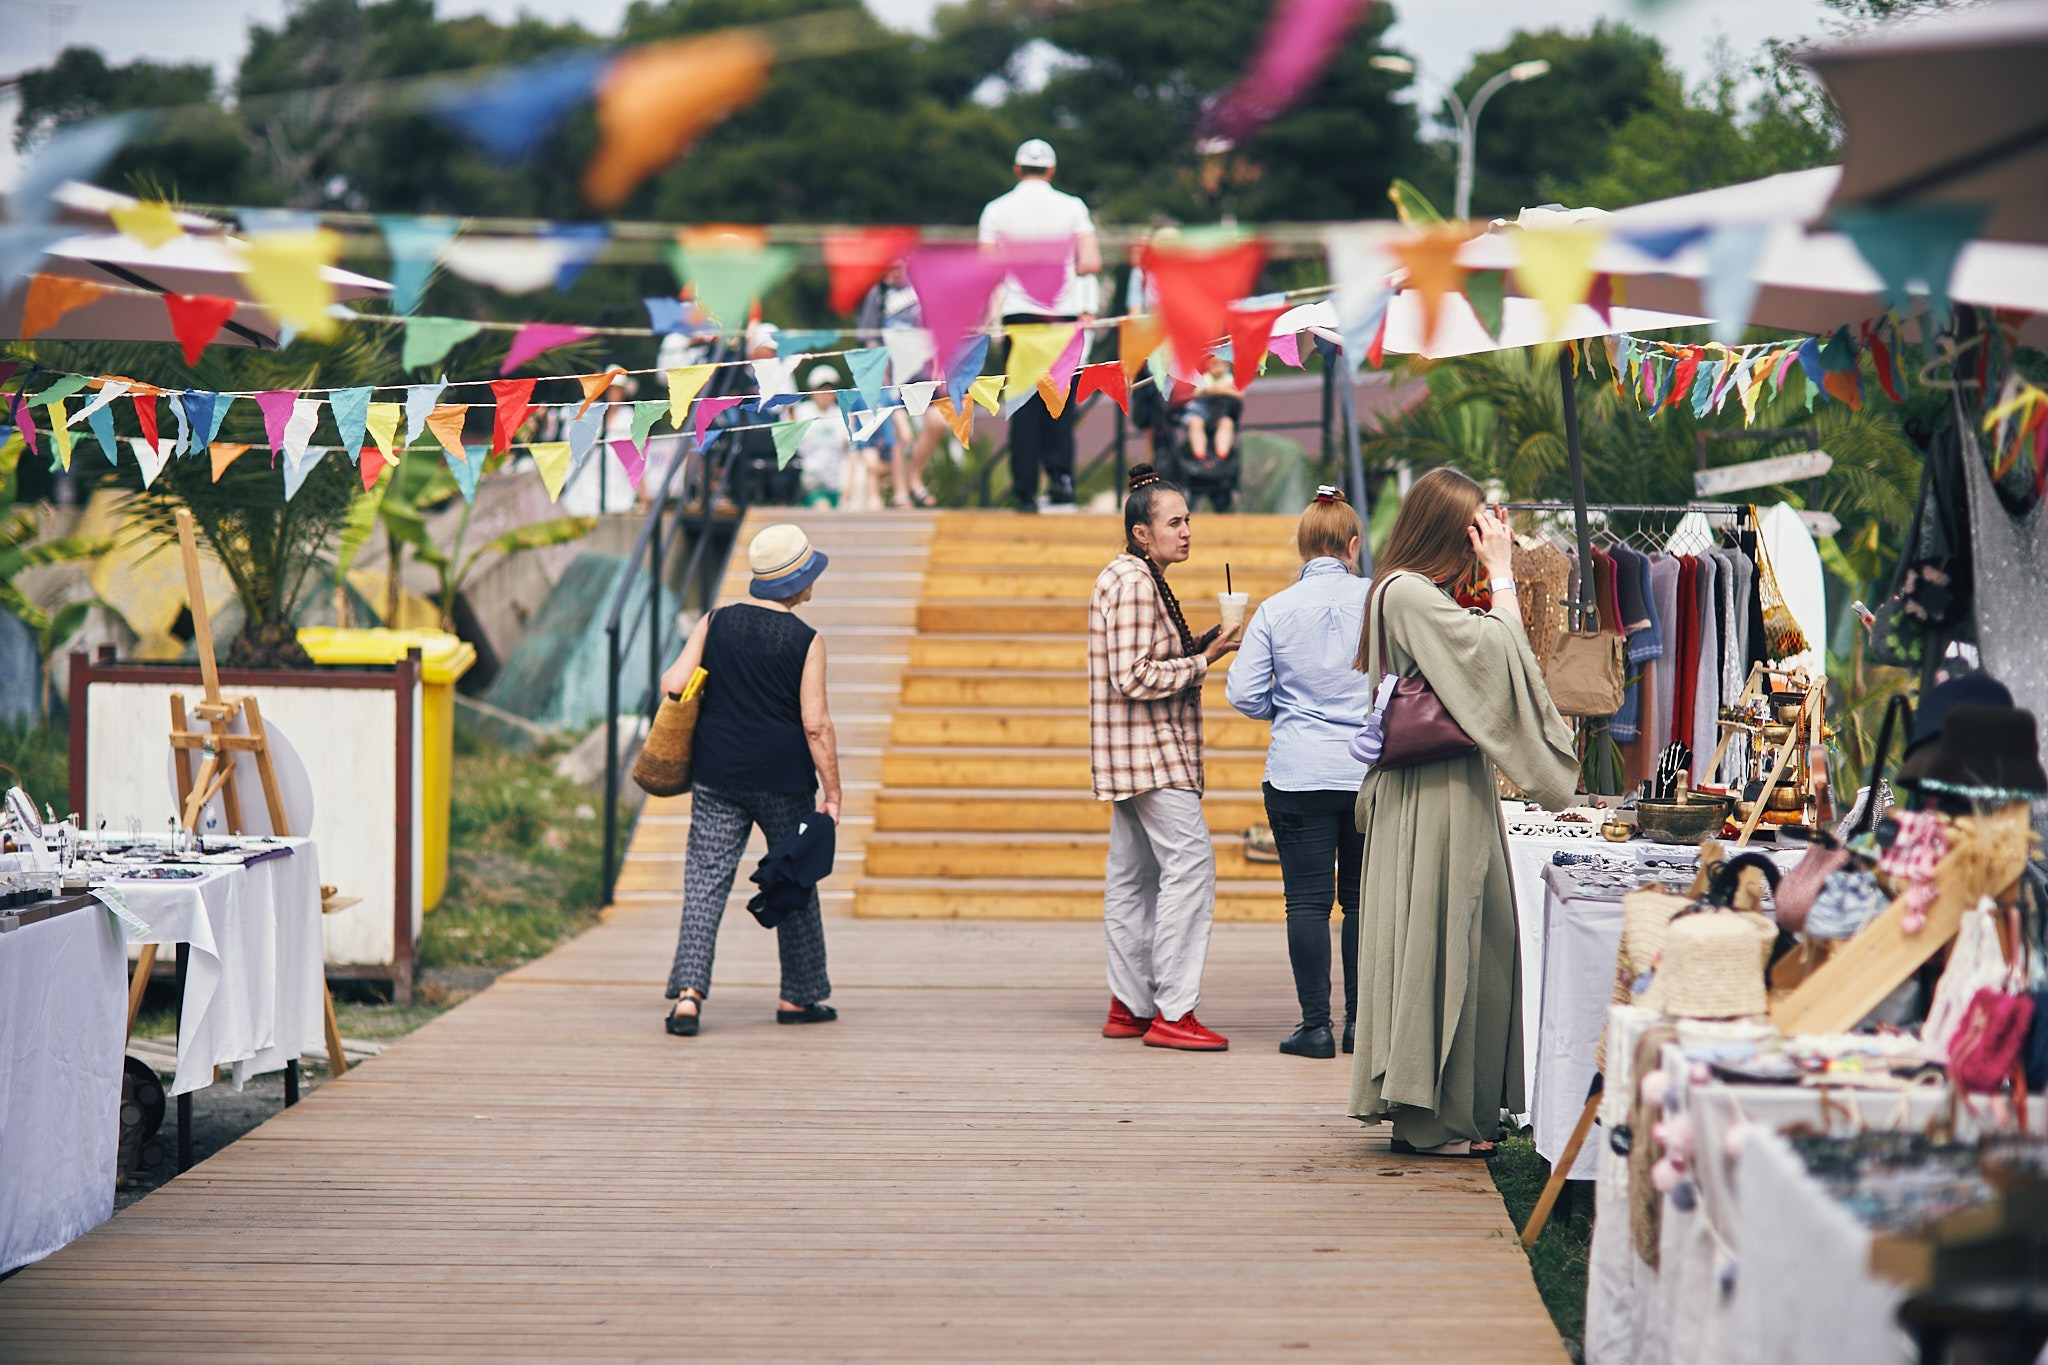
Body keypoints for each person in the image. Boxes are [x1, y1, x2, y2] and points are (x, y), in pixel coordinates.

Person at [1347, 468, 1577, 1155]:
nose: (1483, 541)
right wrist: (1503, 574)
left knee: (1475, 939)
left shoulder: (1412, 592)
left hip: (1442, 788)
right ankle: (1429, 1117)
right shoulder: (1408, 593)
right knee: (1442, 938)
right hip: (1432, 795)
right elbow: (1498, 651)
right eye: (1474, 528)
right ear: (1449, 530)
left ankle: (1467, 1111)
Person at [659, 524, 843, 1036]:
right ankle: (798, 997)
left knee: (704, 880)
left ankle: (689, 997)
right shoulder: (807, 640)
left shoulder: (715, 620)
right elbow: (816, 724)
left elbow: (673, 684)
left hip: (717, 773)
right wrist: (833, 794)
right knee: (795, 878)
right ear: (798, 582)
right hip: (784, 781)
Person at [1089, 463, 1243, 1050]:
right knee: (1191, 868)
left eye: (1187, 520)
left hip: (1133, 754)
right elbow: (1133, 675)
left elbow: (1151, 654)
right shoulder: (1132, 582)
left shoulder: (1134, 576)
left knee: (1132, 877)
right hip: (1151, 753)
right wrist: (1204, 663)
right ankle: (1173, 1011)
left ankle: (1129, 1005)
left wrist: (1207, 643)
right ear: (1140, 532)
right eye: (1174, 522)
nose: (1186, 531)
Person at [1224, 487, 1374, 1060]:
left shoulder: (1275, 609)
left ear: (1303, 547)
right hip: (1366, 772)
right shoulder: (1380, 602)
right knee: (1362, 900)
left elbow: (1243, 692)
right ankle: (1362, 1024)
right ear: (1353, 547)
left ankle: (1316, 1027)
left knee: (1306, 902)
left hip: (1298, 770)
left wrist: (1283, 711)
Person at [979, 137, 1101, 512]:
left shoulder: (996, 210)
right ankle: (1062, 481)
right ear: (1051, 170)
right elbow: (1090, 262)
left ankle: (1025, 491)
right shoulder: (1072, 206)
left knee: (1023, 405)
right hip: (1061, 315)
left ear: (1017, 170)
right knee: (1060, 403)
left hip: (1020, 316)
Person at [856, 262, 943, 508]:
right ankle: (901, 490)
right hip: (892, 375)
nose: (893, 271)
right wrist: (878, 372)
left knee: (937, 424)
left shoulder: (922, 289)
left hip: (923, 372)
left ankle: (914, 475)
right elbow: (870, 337)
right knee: (898, 435)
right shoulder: (879, 293)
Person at [1182, 353, 1243, 465]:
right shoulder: (1206, 378)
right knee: (1195, 423)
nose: (1218, 368)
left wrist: (1225, 391)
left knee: (1227, 423)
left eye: (1221, 364)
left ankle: (1222, 454)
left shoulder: (1230, 379)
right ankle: (1200, 454)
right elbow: (1197, 393)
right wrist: (1210, 390)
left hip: (1221, 413)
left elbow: (1240, 394)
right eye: (1214, 364)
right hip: (1201, 411)